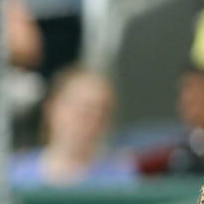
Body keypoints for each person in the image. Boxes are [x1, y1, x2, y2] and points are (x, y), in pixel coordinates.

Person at [9, 66, 137, 187]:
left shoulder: (121, 179)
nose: (89, 120)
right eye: (80, 108)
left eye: (101, 111)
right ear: (51, 108)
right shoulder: (14, 174)